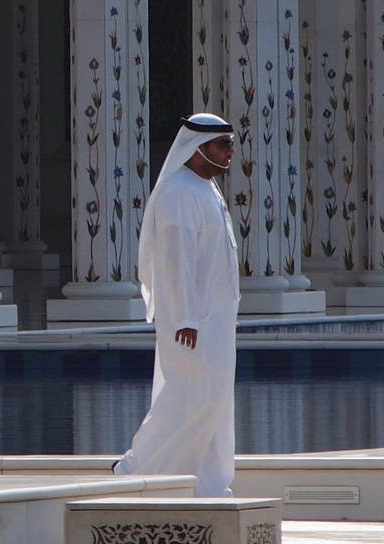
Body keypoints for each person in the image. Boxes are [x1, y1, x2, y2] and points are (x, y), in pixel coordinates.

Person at [113, 112, 241, 495]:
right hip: (191, 323)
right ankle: (135, 469)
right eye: (223, 144)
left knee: (215, 402)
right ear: (197, 148)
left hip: (212, 320)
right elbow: (174, 261)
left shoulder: (205, 188)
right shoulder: (179, 192)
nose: (231, 151)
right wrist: (185, 317)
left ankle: (210, 485)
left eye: (231, 144)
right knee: (189, 398)